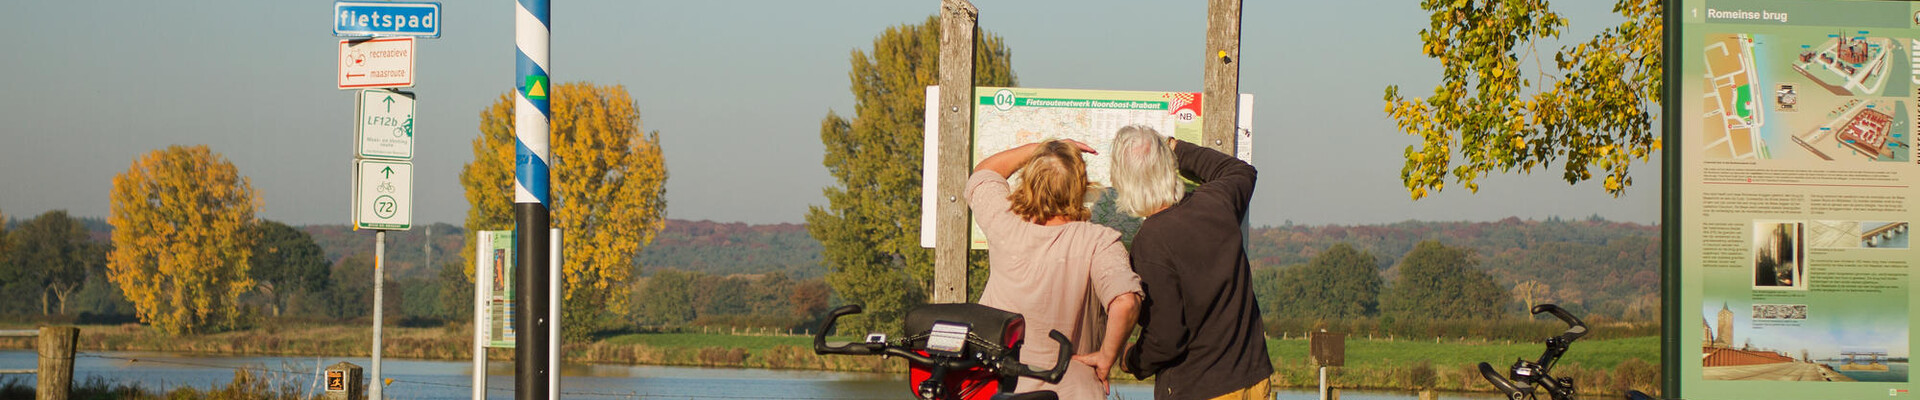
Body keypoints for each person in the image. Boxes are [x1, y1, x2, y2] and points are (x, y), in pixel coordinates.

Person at [966, 139, 1143, 400]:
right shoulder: (1100, 242)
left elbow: (985, 173)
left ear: (1029, 182)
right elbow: (1126, 303)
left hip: (1003, 387)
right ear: (1080, 188)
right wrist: (1107, 357)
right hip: (1073, 391)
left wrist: (1042, 148)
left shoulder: (1003, 223)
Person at [1109, 125, 1271, 400]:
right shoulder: (1216, 202)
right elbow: (1241, 171)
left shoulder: (1150, 242)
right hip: (1252, 378)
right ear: (1168, 167)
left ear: (1124, 182)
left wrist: (1131, 359)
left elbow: (1166, 339)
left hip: (1198, 387)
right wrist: (1176, 148)